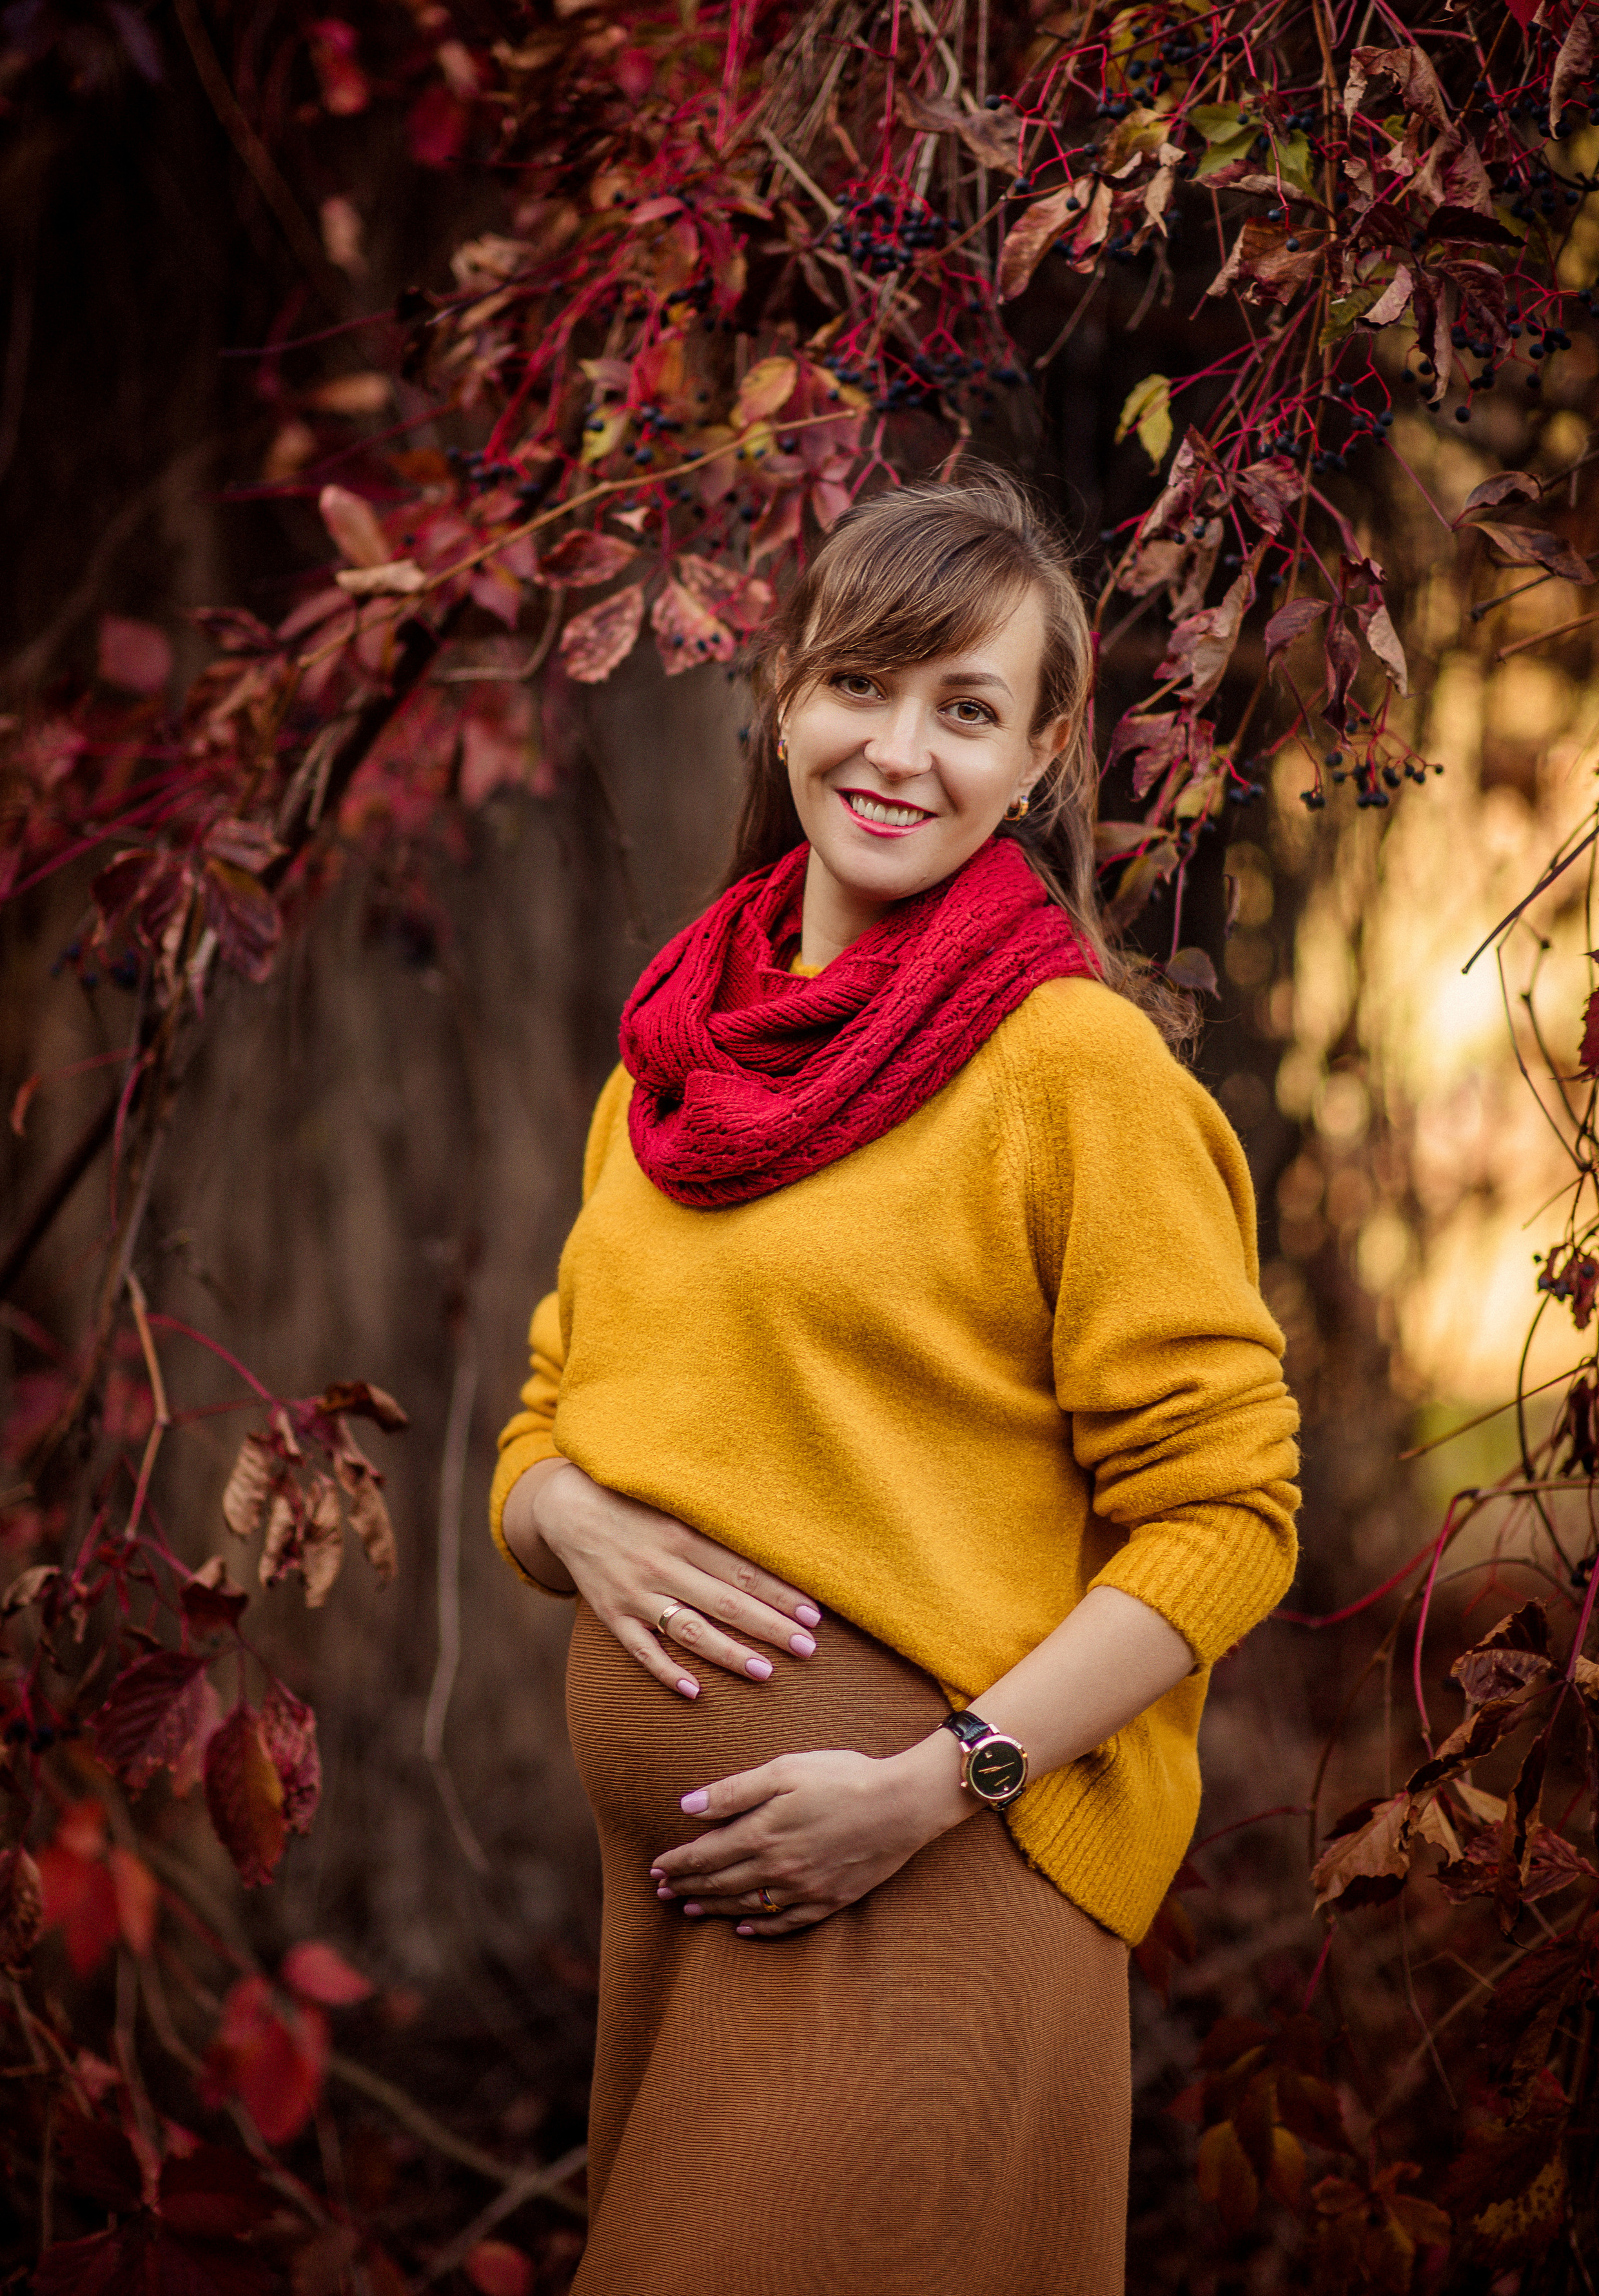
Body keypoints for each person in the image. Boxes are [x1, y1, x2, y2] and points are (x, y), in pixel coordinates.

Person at [490, 472, 1300, 2295]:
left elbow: (1230, 1515)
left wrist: (941, 1781)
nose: (900, 751)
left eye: (969, 708)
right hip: (688, 1924)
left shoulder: (1072, 1071)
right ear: (785, 692)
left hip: (926, 1888)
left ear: (1044, 756)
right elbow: (553, 1404)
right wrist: (571, 1522)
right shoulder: (673, 1053)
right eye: (866, 684)